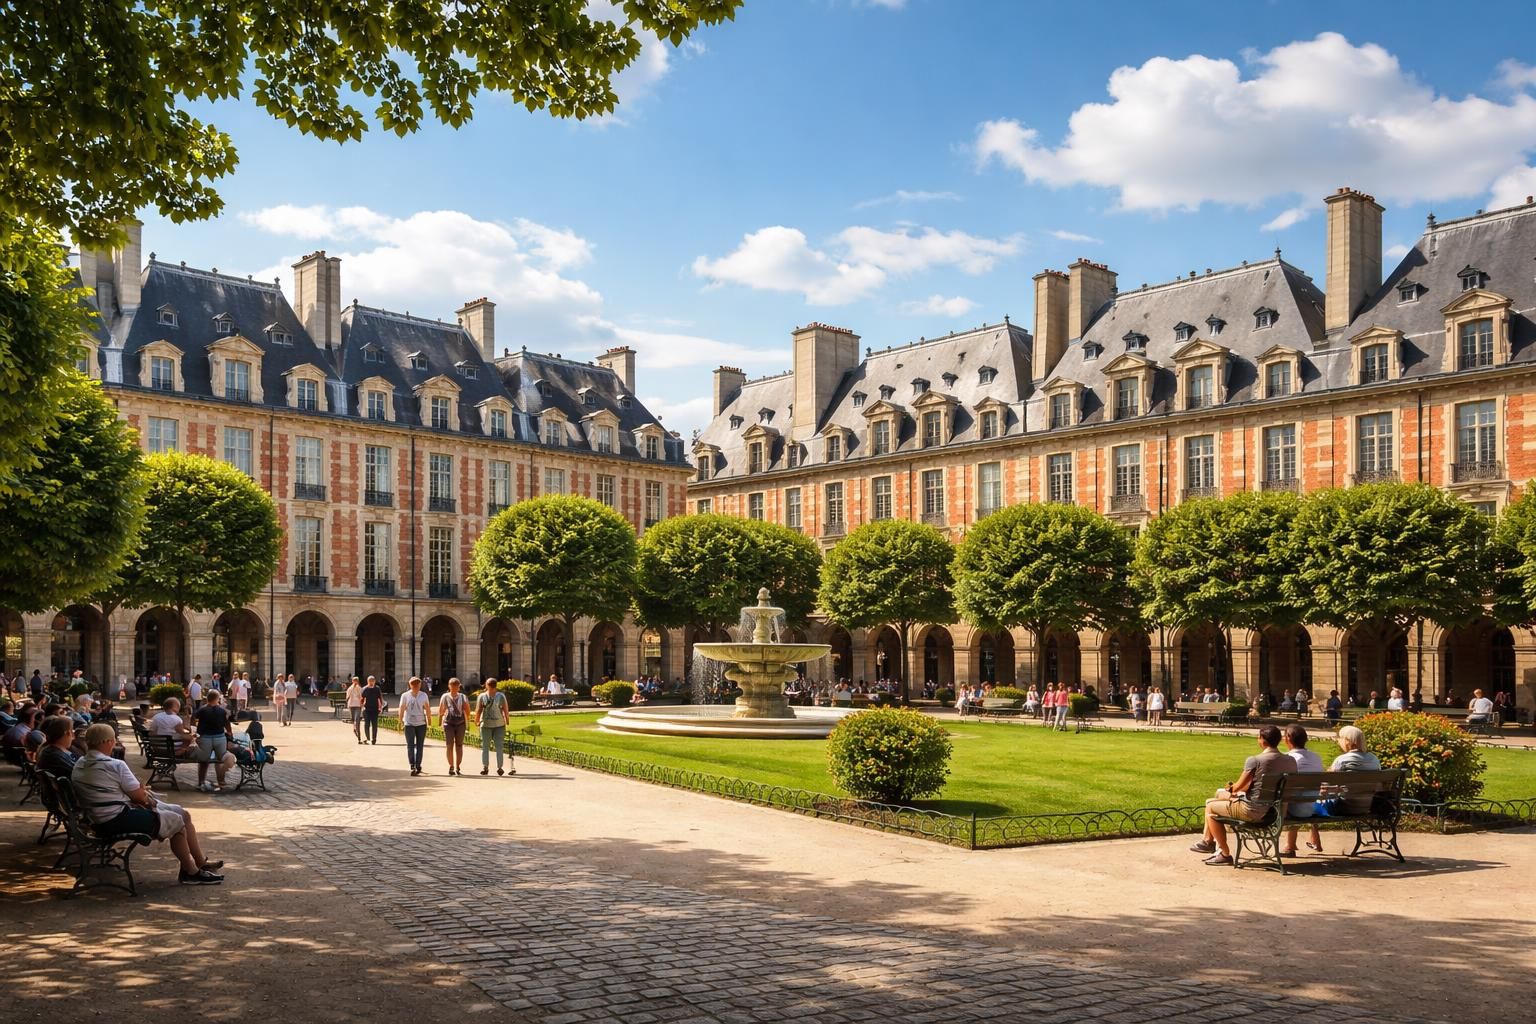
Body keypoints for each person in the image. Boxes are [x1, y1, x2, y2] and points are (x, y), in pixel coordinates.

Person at [70, 723, 224, 885]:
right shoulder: (115, 765)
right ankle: (190, 871)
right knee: (177, 822)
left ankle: (200, 862)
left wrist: (139, 792)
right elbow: (139, 798)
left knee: (183, 814)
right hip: (115, 819)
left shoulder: (81, 763)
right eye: (114, 740)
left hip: (99, 818)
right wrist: (141, 790)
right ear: (108, 741)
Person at [1190, 725, 1295, 866]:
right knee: (1215, 799)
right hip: (1277, 811)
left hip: (1253, 810)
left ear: (1262, 740)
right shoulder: (1290, 761)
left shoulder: (1256, 760)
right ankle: (1208, 842)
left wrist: (1230, 788)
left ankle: (1223, 852)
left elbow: (1238, 786)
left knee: (1210, 807)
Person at [1278, 724, 1324, 857]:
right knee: (1297, 798)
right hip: (1311, 806)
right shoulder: (1316, 758)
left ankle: (1290, 846)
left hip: (1292, 809)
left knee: (1288, 799)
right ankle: (1290, 846)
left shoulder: (1287, 759)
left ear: (1287, 739)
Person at [1327, 725, 1383, 814]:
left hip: (1344, 806)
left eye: (1340, 738)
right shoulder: (1374, 759)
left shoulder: (1342, 760)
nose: (1338, 741)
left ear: (1347, 741)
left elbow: (1329, 782)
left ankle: (1314, 828)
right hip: (1367, 806)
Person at [191, 691, 234, 793]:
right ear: (217, 699)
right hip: (220, 738)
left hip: (205, 738)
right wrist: (229, 732)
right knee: (220, 759)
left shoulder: (202, 710)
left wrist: (194, 730)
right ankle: (221, 781)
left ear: (207, 699)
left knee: (204, 761)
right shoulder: (222, 711)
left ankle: (201, 782)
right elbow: (227, 724)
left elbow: (193, 719)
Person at [474, 677, 512, 776]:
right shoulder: (500, 696)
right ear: (496, 685)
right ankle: (499, 767)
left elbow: (478, 710)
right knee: (498, 746)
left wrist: (476, 720)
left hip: (488, 724)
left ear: (486, 685)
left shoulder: (483, 696)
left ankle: (486, 767)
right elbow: (505, 710)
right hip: (497, 724)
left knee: (486, 746)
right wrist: (507, 720)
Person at [398, 676, 432, 776]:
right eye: (414, 685)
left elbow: (427, 708)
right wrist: (400, 721)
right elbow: (402, 708)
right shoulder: (405, 696)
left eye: (417, 685)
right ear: (410, 685)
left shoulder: (423, 695)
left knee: (420, 745)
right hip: (409, 723)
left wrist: (429, 721)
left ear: (420, 685)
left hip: (421, 723)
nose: (416, 687)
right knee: (410, 745)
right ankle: (412, 764)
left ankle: (418, 764)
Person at [438, 677, 469, 776]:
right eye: (452, 687)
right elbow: (441, 711)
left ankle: (458, 766)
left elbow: (467, 710)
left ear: (459, 687)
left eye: (456, 687)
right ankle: (451, 766)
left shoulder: (463, 697)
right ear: (449, 686)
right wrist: (440, 721)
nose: (454, 689)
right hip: (448, 723)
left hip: (460, 724)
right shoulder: (445, 697)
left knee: (459, 745)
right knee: (449, 745)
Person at [360, 675, 385, 744]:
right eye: (370, 681)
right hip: (367, 709)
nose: (371, 682)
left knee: (375, 725)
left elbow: (380, 698)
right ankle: (368, 738)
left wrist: (381, 707)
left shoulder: (377, 688)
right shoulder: (364, 689)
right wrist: (362, 707)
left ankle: (374, 739)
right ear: (368, 681)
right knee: (367, 724)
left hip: (375, 709)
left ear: (374, 681)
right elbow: (361, 699)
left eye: (372, 681)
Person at [345, 675, 364, 742]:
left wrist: (362, 704)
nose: (355, 682)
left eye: (356, 681)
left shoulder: (359, 688)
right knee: (354, 719)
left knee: (357, 719)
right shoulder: (350, 688)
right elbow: (348, 696)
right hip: (352, 705)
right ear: (353, 681)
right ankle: (355, 729)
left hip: (357, 705)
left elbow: (361, 696)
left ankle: (359, 736)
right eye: (354, 681)